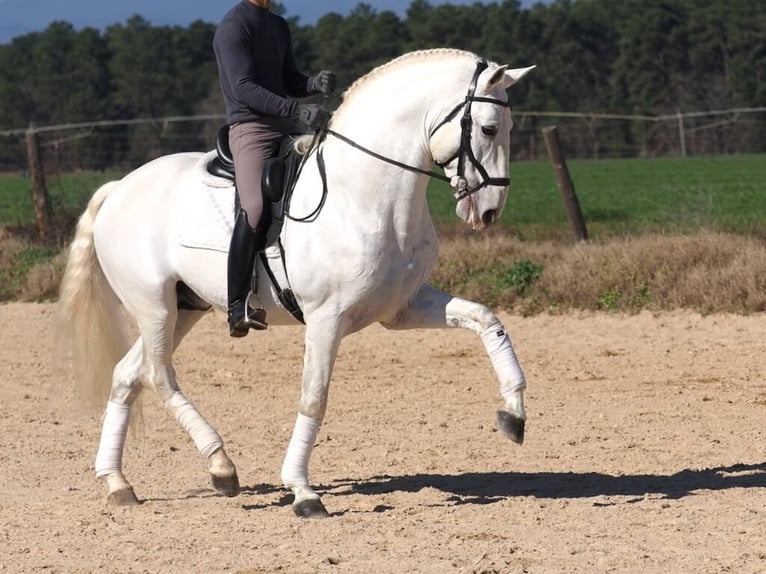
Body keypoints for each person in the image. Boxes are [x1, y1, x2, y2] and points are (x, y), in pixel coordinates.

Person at [213, 0, 335, 337]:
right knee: (253, 208)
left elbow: (288, 79)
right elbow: (244, 88)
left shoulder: (277, 25)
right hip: (251, 128)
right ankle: (237, 306)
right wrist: (296, 109)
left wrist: (312, 85)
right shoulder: (234, 26)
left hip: (286, 125)